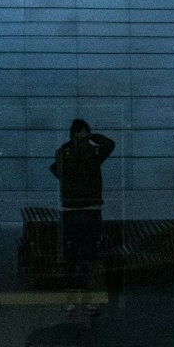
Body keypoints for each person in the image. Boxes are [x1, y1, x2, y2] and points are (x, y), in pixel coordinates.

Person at [50, 119, 114, 282]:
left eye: (83, 132)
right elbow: (60, 169)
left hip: (84, 207)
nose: (81, 136)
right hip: (78, 208)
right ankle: (76, 286)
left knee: (87, 251)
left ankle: (83, 286)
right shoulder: (69, 151)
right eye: (79, 133)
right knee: (74, 251)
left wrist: (90, 138)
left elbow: (109, 144)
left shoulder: (86, 151)